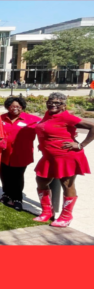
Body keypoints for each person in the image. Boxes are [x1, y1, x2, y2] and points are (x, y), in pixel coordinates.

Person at [33, 93, 93, 227]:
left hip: (66, 156)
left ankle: (66, 216)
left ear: (64, 105)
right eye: (50, 102)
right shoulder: (48, 114)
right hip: (49, 156)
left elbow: (93, 127)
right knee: (41, 180)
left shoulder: (67, 117)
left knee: (67, 184)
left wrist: (80, 145)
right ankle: (47, 211)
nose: (53, 105)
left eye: (57, 103)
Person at [0, 97, 41, 211]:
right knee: (4, 174)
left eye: (18, 106)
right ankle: (6, 194)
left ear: (22, 107)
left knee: (17, 176)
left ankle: (17, 198)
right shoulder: (1, 118)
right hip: (3, 153)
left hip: (21, 154)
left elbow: (48, 128)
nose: (15, 108)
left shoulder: (33, 119)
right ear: (8, 107)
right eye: (12, 106)